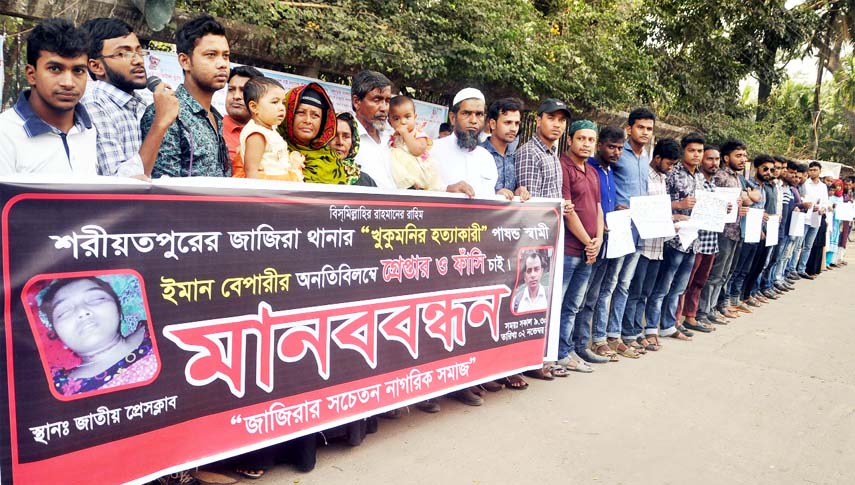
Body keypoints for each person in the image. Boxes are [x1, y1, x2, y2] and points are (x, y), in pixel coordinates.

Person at [575, 125, 642, 363]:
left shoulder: (608, 171)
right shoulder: (590, 169)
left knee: (595, 295)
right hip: (589, 241)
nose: (615, 152)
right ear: (599, 145)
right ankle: (576, 345)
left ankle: (588, 343)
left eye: (619, 148)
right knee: (580, 299)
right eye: (611, 147)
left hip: (608, 243)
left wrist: (617, 210)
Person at [80, 18, 179, 178]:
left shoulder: (139, 103)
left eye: (139, 51)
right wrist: (160, 124)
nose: (139, 60)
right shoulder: (95, 105)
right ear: (96, 66)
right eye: (123, 53)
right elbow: (121, 183)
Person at [0, 18, 96, 176]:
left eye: (78, 70)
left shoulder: (89, 130)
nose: (68, 83)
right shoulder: (5, 133)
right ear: (31, 75)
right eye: (55, 69)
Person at [142, 15, 231, 178]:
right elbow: (163, 187)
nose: (222, 64)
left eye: (225, 56)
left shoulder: (215, 116)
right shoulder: (166, 113)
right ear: (185, 61)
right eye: (211, 55)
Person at [37, 276, 157, 396]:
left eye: (96, 299)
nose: (82, 311)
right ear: (55, 332)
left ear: (118, 307)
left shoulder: (158, 330)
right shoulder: (55, 389)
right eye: (64, 311)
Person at [645, 133, 707, 341]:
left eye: (700, 151)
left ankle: (669, 325)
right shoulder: (671, 172)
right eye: (692, 150)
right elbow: (657, 203)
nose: (696, 155)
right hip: (673, 238)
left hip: (693, 239)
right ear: (683, 151)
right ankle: (652, 326)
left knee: (680, 287)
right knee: (663, 286)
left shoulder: (700, 177)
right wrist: (677, 207)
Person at [556, 120, 604, 374]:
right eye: (581, 139)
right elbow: (567, 210)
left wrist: (598, 240)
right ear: (570, 140)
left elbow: (597, 208)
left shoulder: (593, 171)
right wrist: (588, 242)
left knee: (575, 304)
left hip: (588, 250)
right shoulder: (563, 167)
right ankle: (559, 353)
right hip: (568, 248)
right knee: (561, 303)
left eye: (590, 140)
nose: (586, 144)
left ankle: (568, 349)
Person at [624, 138, 681, 352]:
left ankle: (638, 332)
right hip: (644, 245)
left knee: (646, 292)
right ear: (657, 158)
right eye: (669, 163)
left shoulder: (662, 178)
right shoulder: (645, 177)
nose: (671, 167)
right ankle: (629, 333)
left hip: (658, 245)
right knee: (635, 292)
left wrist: (670, 222)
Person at [613, 108, 655, 348]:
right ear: (629, 129)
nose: (645, 132)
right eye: (641, 127)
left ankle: (618, 334)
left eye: (649, 129)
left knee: (625, 284)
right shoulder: (620, 153)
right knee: (610, 284)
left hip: (640, 230)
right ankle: (605, 336)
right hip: (620, 228)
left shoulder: (645, 156)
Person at [277, 82, 363, 185]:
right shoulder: (273, 150)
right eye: (301, 112)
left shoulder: (332, 160)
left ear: (323, 122)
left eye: (315, 115)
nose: (308, 120)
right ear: (288, 115)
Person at [709, 139, 754, 317]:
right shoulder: (720, 177)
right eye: (739, 156)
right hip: (722, 232)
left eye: (744, 155)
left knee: (725, 273)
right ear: (726, 158)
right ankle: (706, 311)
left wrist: (740, 206)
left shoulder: (737, 179)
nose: (743, 159)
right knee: (715, 274)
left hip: (735, 231)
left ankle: (716, 306)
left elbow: (746, 200)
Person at [432, 88, 500, 200]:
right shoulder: (433, 150)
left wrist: (500, 195)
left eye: (479, 114)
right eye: (466, 113)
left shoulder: (487, 158)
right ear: (453, 118)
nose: (473, 120)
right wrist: (446, 189)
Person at [681, 144, 720, 331]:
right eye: (709, 159)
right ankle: (676, 320)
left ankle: (691, 316)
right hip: (695, 239)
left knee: (699, 282)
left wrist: (725, 209)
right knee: (685, 282)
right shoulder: (695, 181)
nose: (713, 163)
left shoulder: (713, 184)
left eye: (716, 159)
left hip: (711, 240)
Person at [726, 155, 773, 310]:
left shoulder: (763, 189)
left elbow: (758, 204)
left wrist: (760, 227)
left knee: (746, 268)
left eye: (771, 170)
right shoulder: (747, 183)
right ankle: (727, 300)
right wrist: (751, 196)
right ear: (755, 168)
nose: (768, 172)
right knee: (735, 268)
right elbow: (748, 201)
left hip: (756, 232)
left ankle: (736, 298)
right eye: (765, 169)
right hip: (742, 232)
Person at [240, 77, 305, 181]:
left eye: (283, 102)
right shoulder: (257, 134)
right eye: (275, 102)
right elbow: (251, 172)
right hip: (267, 187)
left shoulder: (270, 130)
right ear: (254, 107)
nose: (281, 107)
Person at [515, 98, 570, 200]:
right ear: (539, 121)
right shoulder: (530, 153)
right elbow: (531, 205)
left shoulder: (552, 153)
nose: (557, 125)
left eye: (562, 120)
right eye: (551, 118)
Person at [351, 70, 395, 188]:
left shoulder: (393, 137)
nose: (384, 108)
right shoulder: (345, 139)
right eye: (377, 100)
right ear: (357, 102)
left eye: (387, 101)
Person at [388, 95, 442, 190]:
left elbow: (417, 151)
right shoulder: (393, 138)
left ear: (415, 117)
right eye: (396, 119)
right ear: (390, 122)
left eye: (407, 117)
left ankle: (417, 184)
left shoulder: (418, 133)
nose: (403, 122)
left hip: (421, 173)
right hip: (404, 179)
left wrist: (405, 134)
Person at [482, 97, 530, 200]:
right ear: (493, 124)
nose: (513, 128)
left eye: (517, 123)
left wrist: (518, 191)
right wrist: (494, 195)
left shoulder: (514, 157)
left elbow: (511, 193)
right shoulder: (478, 154)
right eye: (508, 123)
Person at [223, 65, 264, 177]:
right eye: (231, 90)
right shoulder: (214, 129)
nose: (236, 96)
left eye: (243, 91)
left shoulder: (270, 135)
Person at [794, 161, 827, 279]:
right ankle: (792, 269)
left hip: (816, 218)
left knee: (808, 245)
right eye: (811, 170)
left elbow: (825, 202)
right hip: (805, 217)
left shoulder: (823, 187)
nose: (812, 172)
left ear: (820, 171)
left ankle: (802, 269)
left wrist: (822, 209)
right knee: (798, 244)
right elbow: (802, 199)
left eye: (815, 170)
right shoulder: (805, 184)